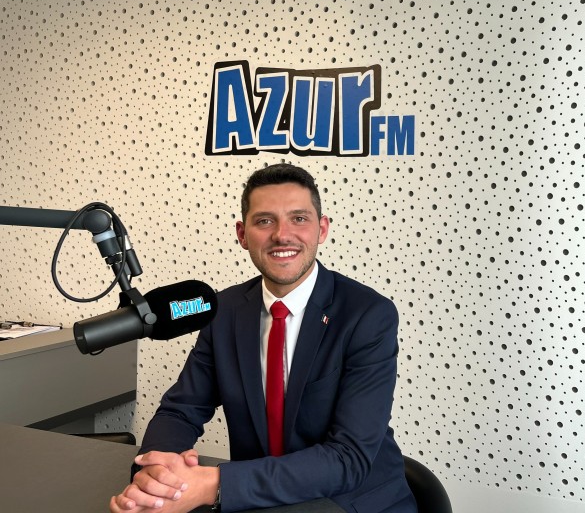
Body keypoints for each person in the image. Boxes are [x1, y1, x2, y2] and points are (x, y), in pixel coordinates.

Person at [110, 163, 416, 513]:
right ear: (242, 234)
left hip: (351, 503)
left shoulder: (368, 315)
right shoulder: (223, 311)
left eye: (298, 218)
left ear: (322, 229)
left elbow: (349, 457)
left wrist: (214, 484)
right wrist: (157, 475)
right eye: (265, 221)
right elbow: (181, 411)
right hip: (260, 502)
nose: (282, 235)